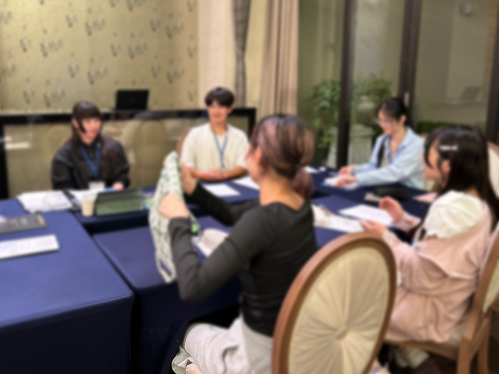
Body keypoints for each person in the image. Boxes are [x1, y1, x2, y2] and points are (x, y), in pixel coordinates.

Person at [160, 115, 317, 374]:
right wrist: (192, 187)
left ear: (260, 157)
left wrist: (178, 221)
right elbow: (231, 214)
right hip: (292, 346)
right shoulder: (299, 205)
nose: (245, 152)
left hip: (256, 359)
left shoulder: (261, 221)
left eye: (251, 146)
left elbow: (192, 288)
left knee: (187, 331)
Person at [361, 125, 499, 372]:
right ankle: (407, 353)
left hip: (431, 312)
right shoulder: (476, 200)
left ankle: (373, 365)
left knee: (351, 302)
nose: (421, 158)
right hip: (450, 299)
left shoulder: (452, 209)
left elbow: (420, 276)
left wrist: (386, 238)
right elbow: (447, 247)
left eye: (427, 153)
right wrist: (403, 219)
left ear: (448, 165)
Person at [336, 97, 425, 189]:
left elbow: (395, 172)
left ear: (402, 119)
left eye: (387, 121)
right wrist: (354, 169)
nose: (382, 125)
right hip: (386, 190)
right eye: (379, 120)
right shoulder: (382, 140)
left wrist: (357, 179)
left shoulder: (417, 144)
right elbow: (374, 167)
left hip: (410, 193)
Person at [51, 101, 130, 191]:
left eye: (96, 120)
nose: (93, 126)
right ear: (75, 123)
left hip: (109, 197)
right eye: (87, 121)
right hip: (79, 199)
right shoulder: (65, 153)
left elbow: (122, 175)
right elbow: (62, 185)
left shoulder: (113, 146)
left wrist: (119, 184)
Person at [181, 87, 249, 182]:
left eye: (221, 107)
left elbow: (243, 166)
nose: (216, 111)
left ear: (230, 109)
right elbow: (186, 165)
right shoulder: (194, 134)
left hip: (231, 183)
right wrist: (203, 175)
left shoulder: (240, 136)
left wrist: (223, 176)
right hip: (201, 184)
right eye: (212, 107)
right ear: (208, 109)